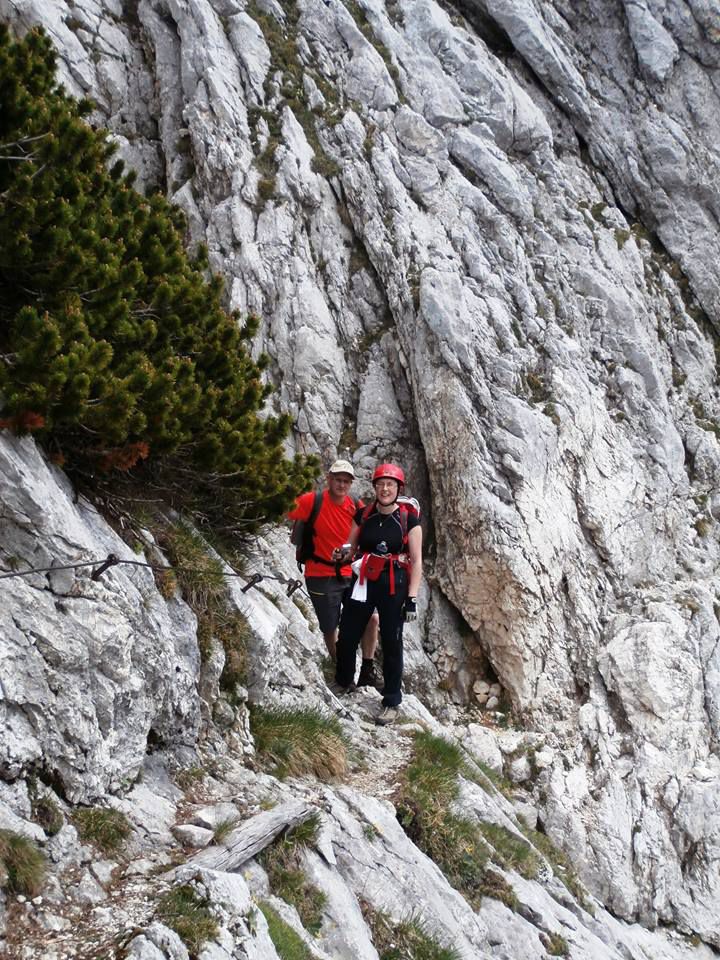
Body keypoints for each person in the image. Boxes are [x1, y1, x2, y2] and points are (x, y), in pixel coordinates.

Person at [332, 463, 422, 726]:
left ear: (398, 489)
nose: (385, 489)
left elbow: (416, 561)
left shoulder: (409, 520)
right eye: (381, 484)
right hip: (364, 581)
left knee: (393, 642)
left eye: (390, 485)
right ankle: (344, 681)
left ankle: (392, 700)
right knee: (347, 634)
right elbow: (351, 547)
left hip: (394, 584)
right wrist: (342, 554)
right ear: (374, 487)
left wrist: (412, 598)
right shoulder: (364, 515)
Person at [287, 460, 380, 687]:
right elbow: (284, 507)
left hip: (349, 572)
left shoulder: (355, 506)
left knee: (372, 618)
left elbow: (365, 537)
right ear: (329, 479)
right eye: (338, 480)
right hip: (319, 574)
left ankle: (367, 668)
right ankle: (341, 669)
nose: (341, 485)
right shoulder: (313, 501)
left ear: (350, 484)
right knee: (330, 627)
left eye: (346, 481)